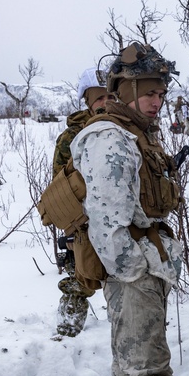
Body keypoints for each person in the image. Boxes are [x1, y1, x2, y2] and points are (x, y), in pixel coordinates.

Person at [71, 42, 189, 376]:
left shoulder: (135, 133)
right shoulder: (110, 138)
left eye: (161, 93)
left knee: (128, 353)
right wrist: (137, 270)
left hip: (146, 260)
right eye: (149, 91)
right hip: (135, 267)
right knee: (148, 357)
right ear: (124, 88)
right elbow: (109, 223)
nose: (157, 101)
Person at [51, 67, 109, 338]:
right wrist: (73, 228)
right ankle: (67, 336)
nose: (106, 104)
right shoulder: (71, 138)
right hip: (84, 222)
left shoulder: (124, 129)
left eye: (111, 97)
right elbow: (59, 190)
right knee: (80, 279)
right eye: (99, 99)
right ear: (87, 101)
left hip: (119, 219)